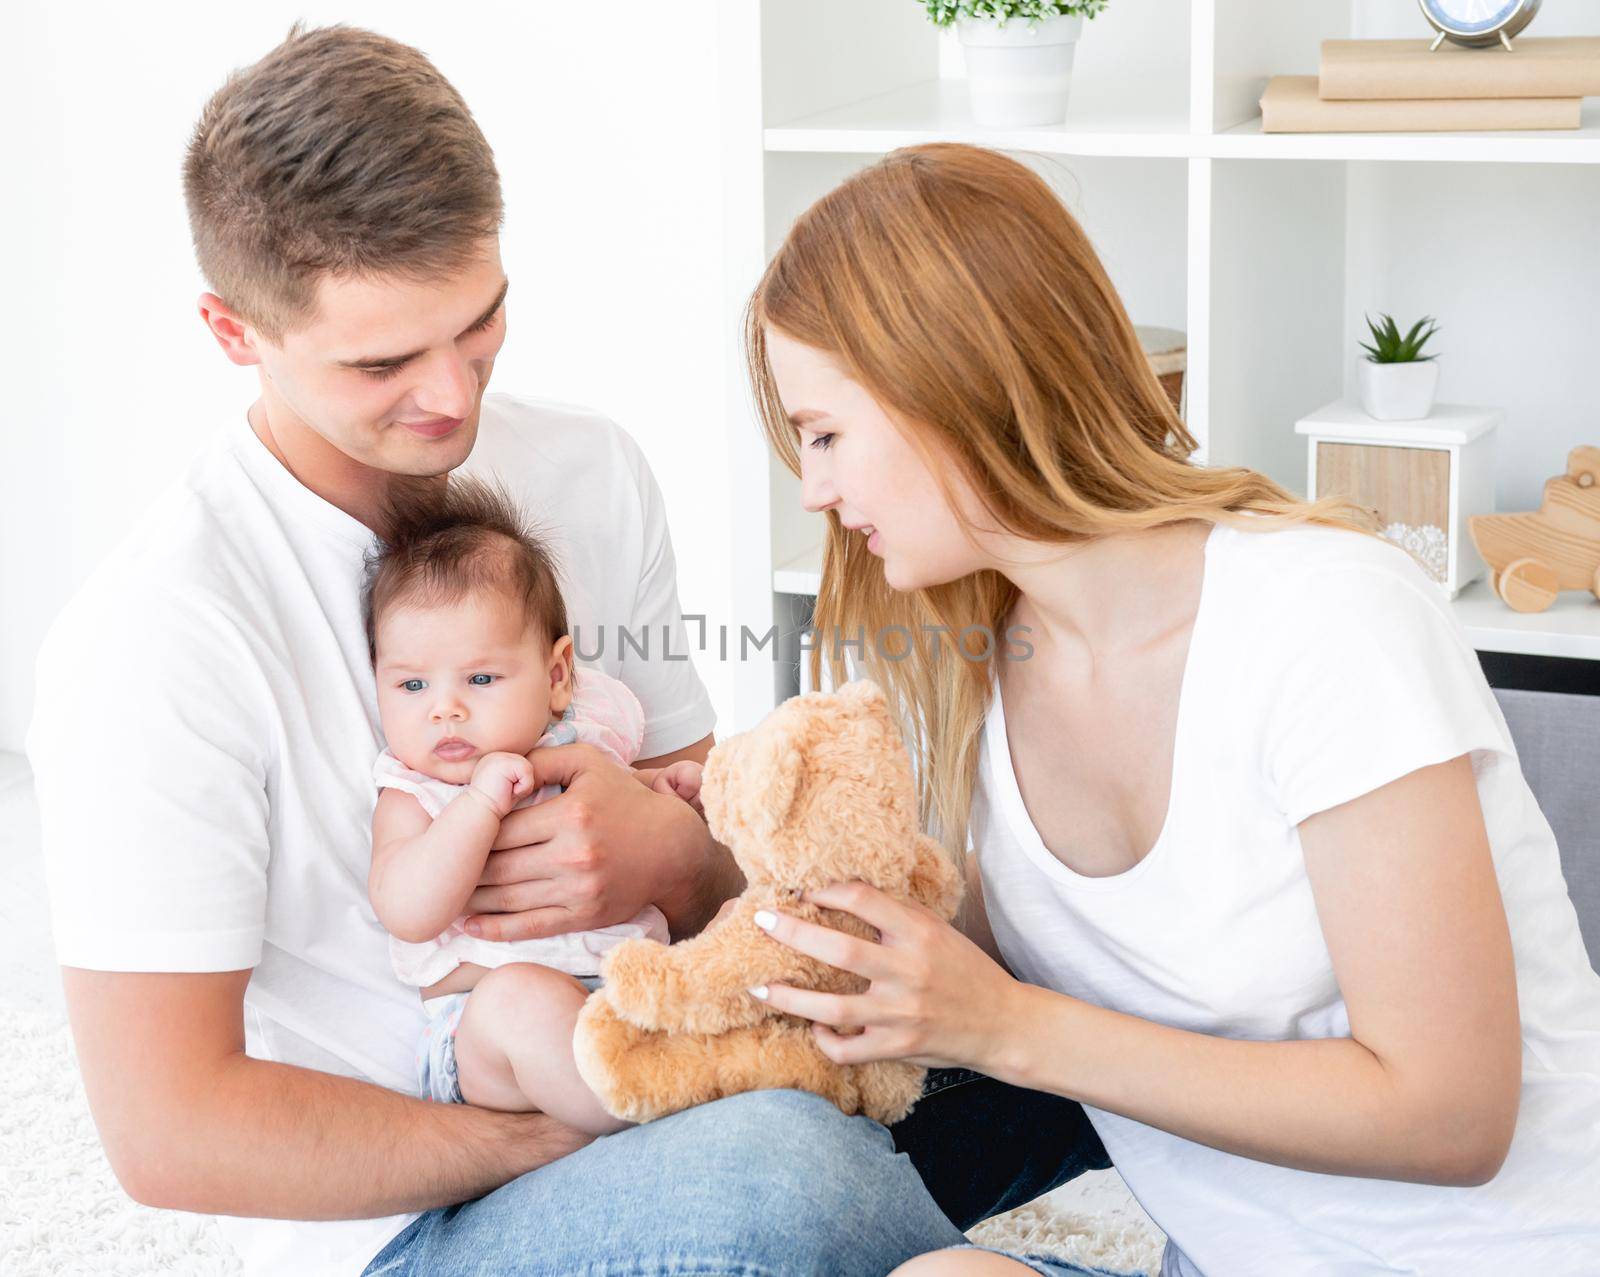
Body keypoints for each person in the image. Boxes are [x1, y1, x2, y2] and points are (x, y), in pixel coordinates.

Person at [24, 28, 1109, 1277]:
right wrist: (580, 1127)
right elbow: (172, 1131)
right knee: (780, 1171)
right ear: (233, 331)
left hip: (680, 1039)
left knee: (1078, 981)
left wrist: (681, 855)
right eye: (381, 361)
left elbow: (734, 879)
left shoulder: (584, 470)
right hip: (425, 1206)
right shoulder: (154, 639)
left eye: (477, 325)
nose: (448, 396)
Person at [742, 142, 1600, 1277]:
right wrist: (689, 871)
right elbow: (950, 964)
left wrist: (1006, 1025)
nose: (813, 488)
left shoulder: (1323, 615)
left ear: (943, 381)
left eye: (823, 432)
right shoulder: (969, 671)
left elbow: (1451, 1115)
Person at [363, 474, 700, 1128]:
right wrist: (477, 809)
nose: (445, 708)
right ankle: (645, 1116)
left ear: (555, 676)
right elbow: (405, 906)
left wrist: (664, 795)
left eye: (481, 678)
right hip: (485, 1023)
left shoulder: (584, 739)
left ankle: (679, 1077)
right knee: (522, 1002)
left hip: (629, 991)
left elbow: (625, 820)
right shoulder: (416, 789)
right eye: (410, 684)